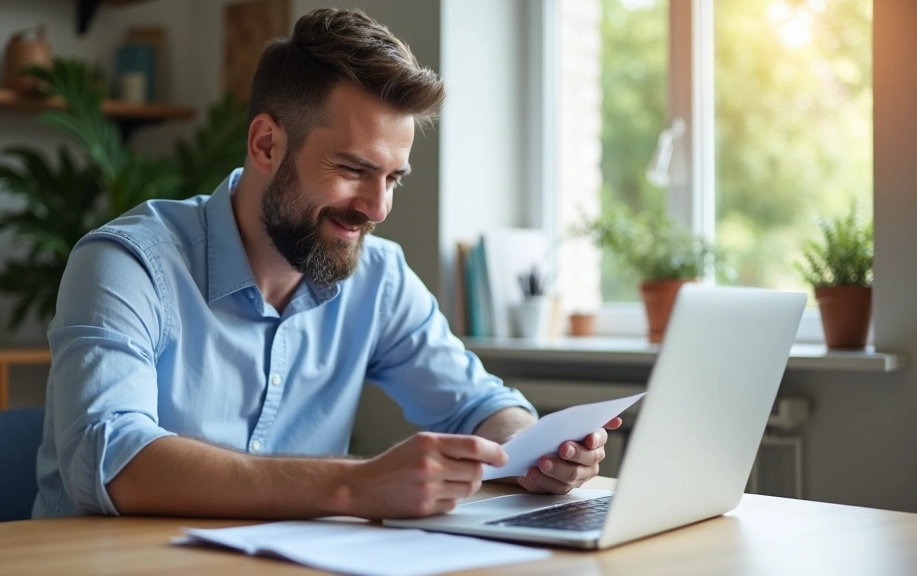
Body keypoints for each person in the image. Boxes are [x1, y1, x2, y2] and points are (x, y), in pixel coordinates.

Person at [32, 7, 620, 520]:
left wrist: (537, 450)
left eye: (393, 178)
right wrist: (352, 484)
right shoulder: (129, 264)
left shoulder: (379, 278)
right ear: (266, 145)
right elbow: (112, 459)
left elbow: (479, 405)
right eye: (354, 170)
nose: (378, 207)